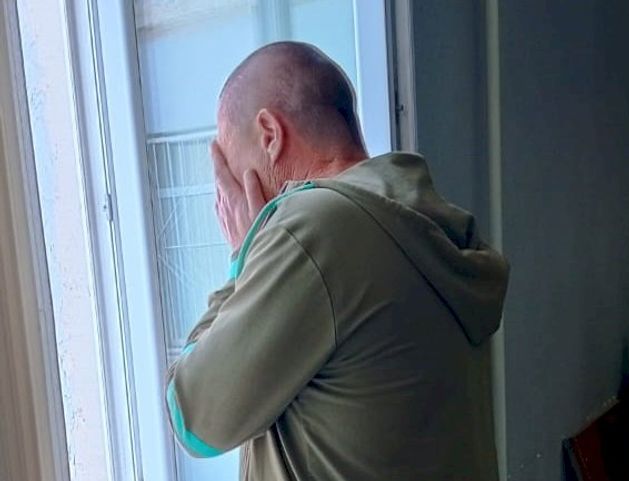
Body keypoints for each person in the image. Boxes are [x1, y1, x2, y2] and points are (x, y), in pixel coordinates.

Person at [165, 41, 510, 481]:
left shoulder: (314, 231)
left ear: (270, 134)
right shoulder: (420, 219)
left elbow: (194, 419)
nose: (226, 197)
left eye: (228, 167)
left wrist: (243, 256)